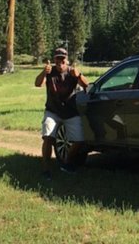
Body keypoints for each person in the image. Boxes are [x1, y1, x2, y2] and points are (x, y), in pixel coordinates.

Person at [35, 48, 88, 180]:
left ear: (67, 60)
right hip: (52, 111)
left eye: (63, 59)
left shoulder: (72, 72)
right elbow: (37, 84)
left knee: (79, 140)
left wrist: (78, 75)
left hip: (70, 112)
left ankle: (66, 162)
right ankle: (45, 168)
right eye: (58, 59)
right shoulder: (49, 71)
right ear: (54, 60)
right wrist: (43, 72)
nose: (60, 62)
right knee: (48, 137)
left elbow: (87, 86)